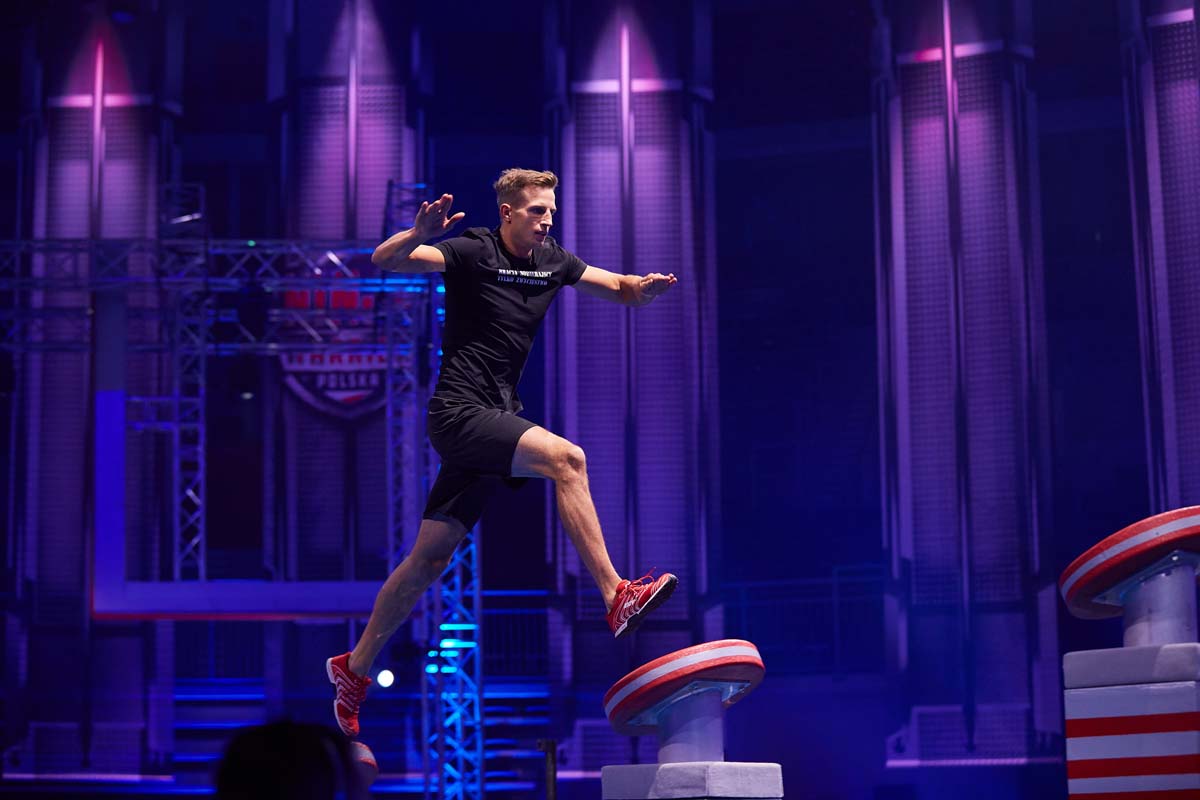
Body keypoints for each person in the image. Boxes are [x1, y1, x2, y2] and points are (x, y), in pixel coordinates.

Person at [325, 168, 679, 738]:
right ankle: (616, 594)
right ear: (509, 212)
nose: (547, 220)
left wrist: (644, 287)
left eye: (552, 211)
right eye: (538, 211)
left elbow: (619, 288)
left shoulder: (553, 261)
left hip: (494, 418)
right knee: (568, 460)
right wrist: (417, 233)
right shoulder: (472, 250)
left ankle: (354, 667)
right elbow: (385, 260)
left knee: (428, 561)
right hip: (458, 413)